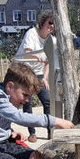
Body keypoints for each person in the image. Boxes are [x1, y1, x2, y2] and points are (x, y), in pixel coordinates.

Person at [15, 11, 56, 142]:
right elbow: (27, 52)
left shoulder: (51, 40)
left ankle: (50, 131)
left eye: (54, 24)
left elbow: (48, 61)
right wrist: (36, 55)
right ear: (42, 22)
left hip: (38, 74)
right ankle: (32, 133)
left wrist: (45, 77)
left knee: (47, 100)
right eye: (50, 22)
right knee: (28, 102)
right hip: (25, 71)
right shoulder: (31, 33)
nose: (52, 26)